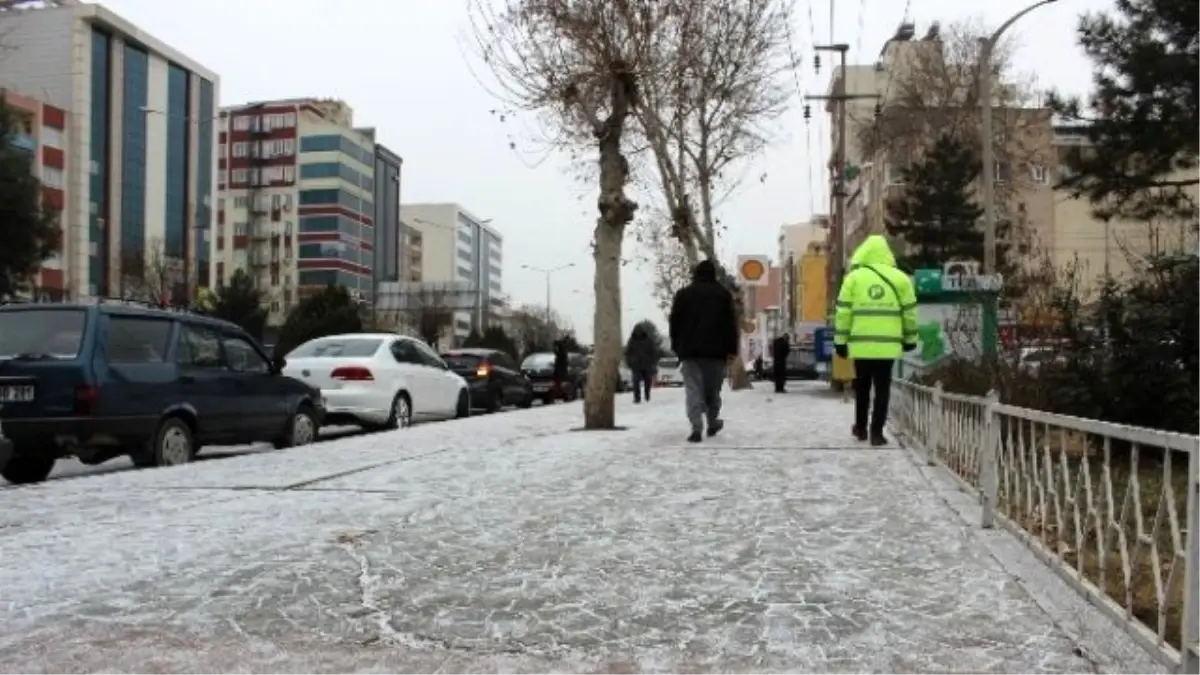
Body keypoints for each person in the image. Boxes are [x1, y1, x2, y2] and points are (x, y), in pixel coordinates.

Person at [833, 234, 918, 446]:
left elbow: (843, 313)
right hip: (888, 347)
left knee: (861, 387)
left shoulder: (853, 279)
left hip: (861, 346)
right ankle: (877, 433)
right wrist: (909, 339)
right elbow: (909, 313)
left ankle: (860, 428)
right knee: (882, 389)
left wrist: (841, 342)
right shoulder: (901, 279)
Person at [669, 259, 738, 443]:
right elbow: (730, 324)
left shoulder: (683, 295)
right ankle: (713, 421)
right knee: (712, 391)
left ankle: (696, 427)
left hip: (690, 352)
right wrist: (732, 349)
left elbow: (674, 323)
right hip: (716, 353)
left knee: (693, 390)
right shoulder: (723, 295)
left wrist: (677, 346)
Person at [624, 325, 658, 403]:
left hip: (646, 364)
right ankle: (637, 398)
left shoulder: (648, 340)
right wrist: (630, 362)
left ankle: (647, 395)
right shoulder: (632, 340)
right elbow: (627, 353)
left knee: (647, 382)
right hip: (636, 365)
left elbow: (653, 352)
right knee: (636, 382)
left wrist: (652, 362)